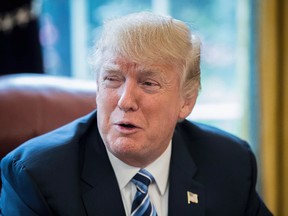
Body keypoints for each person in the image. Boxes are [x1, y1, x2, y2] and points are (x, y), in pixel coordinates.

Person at [0, 12, 272, 216]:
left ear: (186, 101)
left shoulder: (229, 162)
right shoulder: (36, 176)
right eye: (112, 79)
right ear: (97, 87)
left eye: (148, 83)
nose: (125, 101)